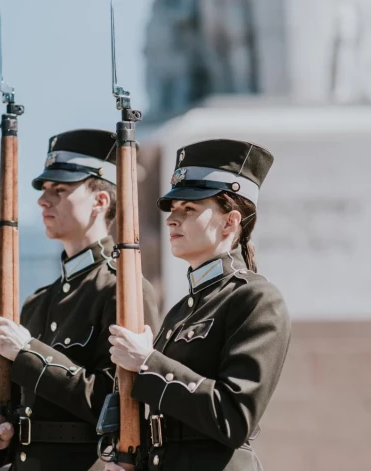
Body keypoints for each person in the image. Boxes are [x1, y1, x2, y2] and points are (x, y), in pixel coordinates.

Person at [0, 129, 160, 470]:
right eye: (44, 191)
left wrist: (27, 353)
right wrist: (1, 432)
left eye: (60, 190)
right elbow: (23, 407)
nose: (44, 201)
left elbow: (116, 400)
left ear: (100, 202)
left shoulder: (122, 291)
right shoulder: (37, 302)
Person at [105, 139, 291, 470]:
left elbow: (234, 417)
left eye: (189, 209)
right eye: (173, 209)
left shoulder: (256, 299)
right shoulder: (181, 311)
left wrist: (148, 362)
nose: (172, 220)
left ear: (230, 222)